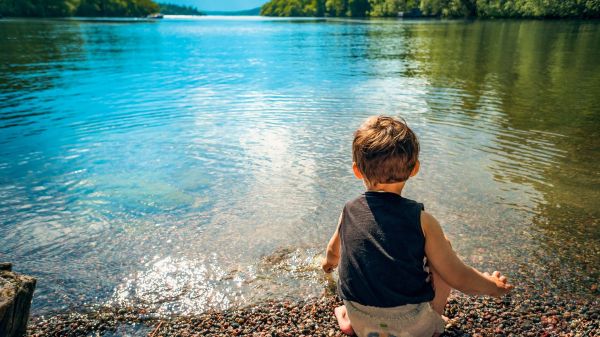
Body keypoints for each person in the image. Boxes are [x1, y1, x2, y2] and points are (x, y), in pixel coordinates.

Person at [321, 116, 513, 337]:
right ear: (414, 169)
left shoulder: (348, 211)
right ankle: (435, 318)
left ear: (357, 170)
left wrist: (326, 268)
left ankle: (348, 320)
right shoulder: (422, 220)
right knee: (443, 248)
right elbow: (458, 277)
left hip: (361, 319)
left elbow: (332, 253)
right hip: (412, 327)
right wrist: (493, 287)